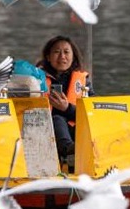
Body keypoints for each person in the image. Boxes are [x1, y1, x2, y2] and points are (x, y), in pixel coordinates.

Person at [36, 35, 93, 163]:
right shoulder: (36, 79)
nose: (62, 57)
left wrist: (67, 108)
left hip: (76, 129)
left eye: (66, 52)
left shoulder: (83, 81)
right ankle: (69, 150)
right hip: (45, 130)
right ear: (48, 57)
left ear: (73, 56)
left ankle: (74, 151)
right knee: (58, 119)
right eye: (57, 52)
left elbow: (91, 114)